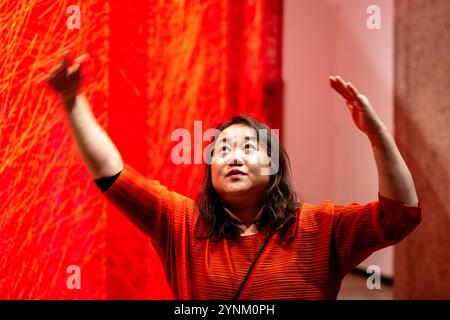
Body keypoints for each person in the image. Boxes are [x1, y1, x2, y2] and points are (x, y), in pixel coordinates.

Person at [36, 50, 421, 300]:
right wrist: (72, 101)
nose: (232, 157)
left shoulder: (320, 227)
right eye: (221, 150)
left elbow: (400, 216)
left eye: (248, 148)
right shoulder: (184, 224)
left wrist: (377, 134)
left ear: (274, 168)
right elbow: (112, 175)